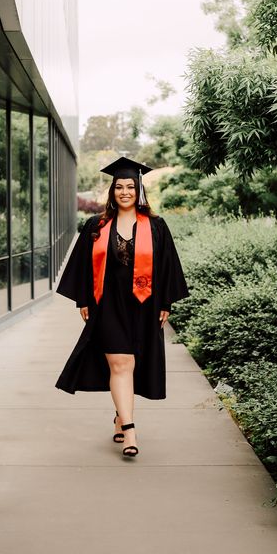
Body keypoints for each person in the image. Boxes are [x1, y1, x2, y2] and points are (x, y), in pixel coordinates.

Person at [55, 157, 189, 458]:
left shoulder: (156, 226)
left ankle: (119, 416)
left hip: (144, 304)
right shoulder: (97, 226)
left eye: (130, 186)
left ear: (138, 190)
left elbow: (167, 266)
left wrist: (165, 301)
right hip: (108, 305)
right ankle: (130, 431)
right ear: (112, 191)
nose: (125, 192)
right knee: (121, 364)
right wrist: (84, 299)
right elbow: (83, 266)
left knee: (133, 365)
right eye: (119, 187)